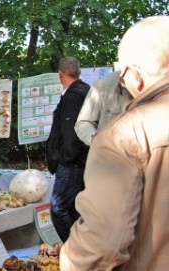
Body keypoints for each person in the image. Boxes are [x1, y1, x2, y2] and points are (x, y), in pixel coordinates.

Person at [60, 16, 169, 270]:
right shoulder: (103, 88)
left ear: (135, 75)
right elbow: (83, 124)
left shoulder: (126, 136)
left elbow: (99, 250)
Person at [45, 56, 90, 242]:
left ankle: (76, 249)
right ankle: (82, 249)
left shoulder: (73, 96)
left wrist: (64, 158)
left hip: (72, 162)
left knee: (59, 207)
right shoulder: (87, 91)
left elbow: (71, 133)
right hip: (82, 160)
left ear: (61, 74)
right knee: (73, 208)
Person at [74, 71, 132, 145]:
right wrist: (96, 140)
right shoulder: (104, 84)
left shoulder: (150, 83)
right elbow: (83, 123)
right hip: (110, 153)